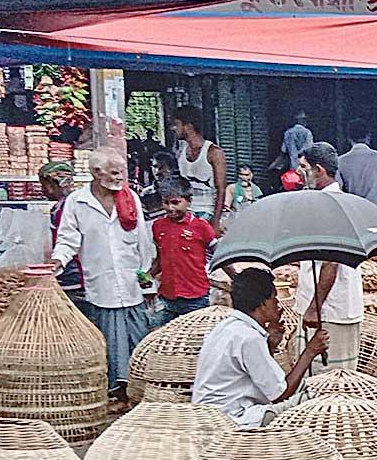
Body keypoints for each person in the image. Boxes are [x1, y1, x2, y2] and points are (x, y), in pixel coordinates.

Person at [52, 150, 154, 395]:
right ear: (96, 173)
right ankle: (116, 388)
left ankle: (140, 386)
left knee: (138, 333)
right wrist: (57, 261)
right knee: (109, 336)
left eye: (122, 172)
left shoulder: (131, 199)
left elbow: (143, 239)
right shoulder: (77, 202)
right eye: (114, 172)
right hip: (101, 280)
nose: (120, 177)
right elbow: (68, 239)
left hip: (132, 280)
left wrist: (147, 276)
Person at [192, 266, 328, 427]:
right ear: (262, 304)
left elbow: (254, 375)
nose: (278, 304)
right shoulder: (249, 337)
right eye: (274, 299)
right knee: (313, 397)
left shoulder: (227, 327)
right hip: (232, 418)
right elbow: (280, 394)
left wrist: (270, 346)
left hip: (210, 413)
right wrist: (310, 352)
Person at [292, 144, 363, 372]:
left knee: (330, 381)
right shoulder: (326, 202)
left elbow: (332, 261)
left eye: (303, 167)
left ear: (319, 170)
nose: (298, 172)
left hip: (330, 311)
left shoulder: (330, 205)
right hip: (329, 309)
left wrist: (315, 307)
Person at [149, 177, 218, 325]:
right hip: (167, 297)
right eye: (165, 203)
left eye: (175, 202)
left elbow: (219, 254)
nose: (170, 208)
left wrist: (236, 277)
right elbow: (161, 258)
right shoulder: (158, 226)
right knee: (162, 338)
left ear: (188, 201)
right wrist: (148, 276)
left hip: (196, 297)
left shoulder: (201, 226)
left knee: (193, 340)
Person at [169, 104, 228, 221]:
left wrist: (215, 222)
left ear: (188, 127)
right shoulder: (181, 151)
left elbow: (221, 189)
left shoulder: (213, 152)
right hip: (185, 212)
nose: (173, 128)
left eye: (176, 124)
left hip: (206, 212)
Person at [39, 160, 86, 303]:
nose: (43, 190)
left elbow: (69, 240)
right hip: (71, 269)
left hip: (72, 273)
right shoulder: (66, 205)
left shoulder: (67, 207)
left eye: (43, 185)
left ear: (51, 184)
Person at [338, 120, 377, 212]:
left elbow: (339, 190)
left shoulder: (340, 161)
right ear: (368, 137)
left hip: (355, 212)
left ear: (348, 138)